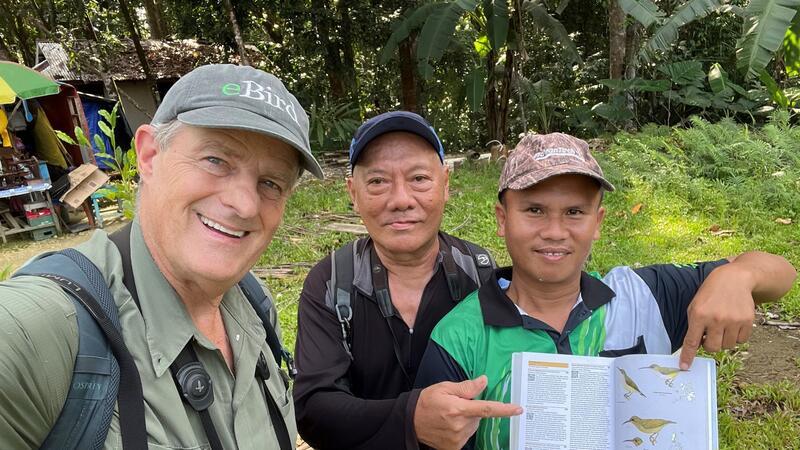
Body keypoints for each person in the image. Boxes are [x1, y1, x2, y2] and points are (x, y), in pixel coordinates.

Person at [0, 64, 323, 449]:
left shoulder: (255, 306)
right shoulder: (42, 329)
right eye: (216, 160)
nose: (244, 204)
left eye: (271, 183)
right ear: (150, 155)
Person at [414, 132, 798, 449]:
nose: (554, 231)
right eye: (534, 210)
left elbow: (781, 274)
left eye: (574, 212)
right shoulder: (460, 336)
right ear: (502, 219)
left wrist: (737, 277)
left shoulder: (642, 295)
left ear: (597, 222)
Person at [293, 111, 522, 450]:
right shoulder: (331, 283)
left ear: (445, 184)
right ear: (353, 193)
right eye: (377, 182)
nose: (400, 200)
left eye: (418, 179)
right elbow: (314, 411)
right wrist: (411, 419)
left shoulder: (480, 274)